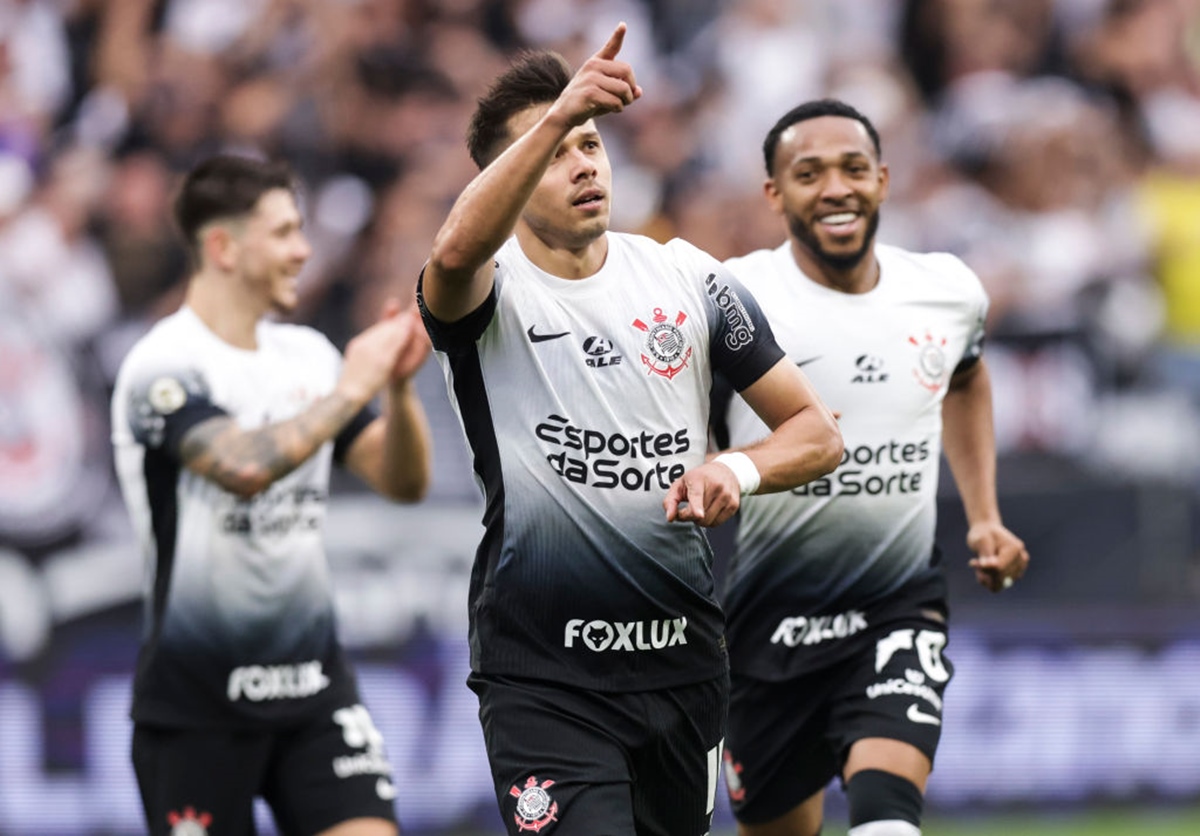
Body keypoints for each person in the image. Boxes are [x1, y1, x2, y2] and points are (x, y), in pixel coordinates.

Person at [417, 23, 844, 836]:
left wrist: (737, 472)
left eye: (589, 143)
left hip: (681, 660)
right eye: (553, 152)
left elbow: (815, 432)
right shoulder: (488, 292)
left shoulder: (687, 278)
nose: (582, 163)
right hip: (545, 676)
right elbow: (453, 247)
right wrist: (555, 115)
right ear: (508, 179)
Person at [712, 98, 1031, 836]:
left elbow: (967, 377)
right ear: (774, 194)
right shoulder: (733, 297)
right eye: (808, 172)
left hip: (896, 607)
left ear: (883, 180)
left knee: (887, 816)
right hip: (769, 626)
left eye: (854, 168)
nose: (836, 189)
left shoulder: (948, 291)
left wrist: (984, 515)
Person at [110, 154, 432, 836]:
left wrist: (397, 391)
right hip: (197, 705)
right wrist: (353, 388)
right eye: (285, 233)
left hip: (313, 687)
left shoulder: (308, 356)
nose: (304, 250)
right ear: (223, 247)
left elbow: (402, 483)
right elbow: (242, 466)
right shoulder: (161, 365)